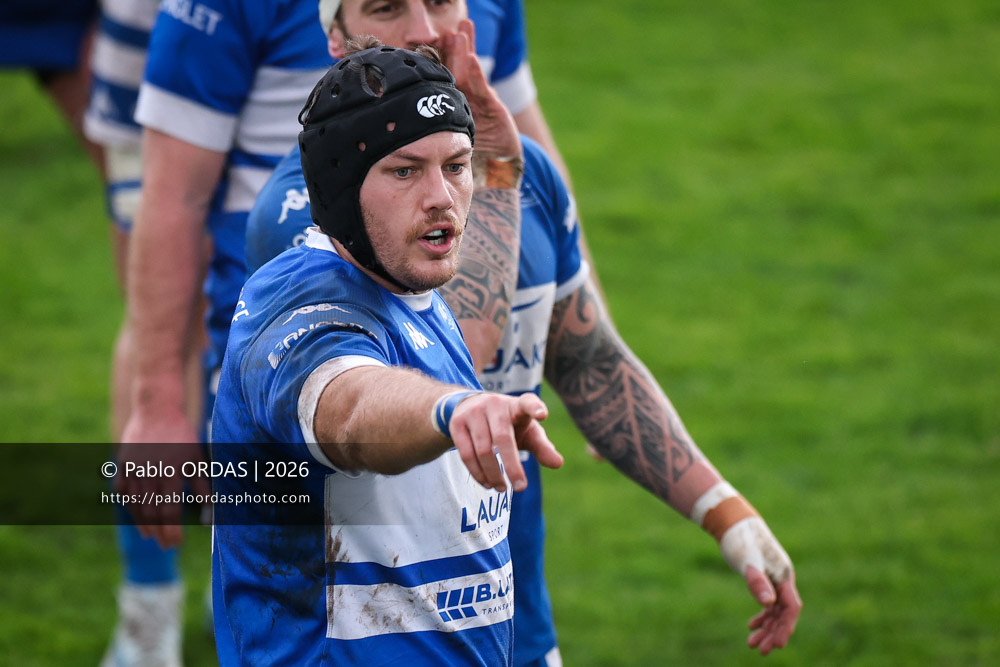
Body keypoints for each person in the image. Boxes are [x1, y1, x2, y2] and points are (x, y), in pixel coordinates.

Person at [247, 2, 803, 662]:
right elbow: (439, 377)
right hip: (355, 643)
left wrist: (725, 511)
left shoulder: (528, 173)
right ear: (335, 37)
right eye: (388, 6)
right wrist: (498, 179)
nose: (425, 30)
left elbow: (589, 362)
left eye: (442, 1)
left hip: (508, 630)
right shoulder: (312, 212)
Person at [211, 42, 565, 665]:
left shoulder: (413, 295)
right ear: (344, 189)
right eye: (405, 171)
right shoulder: (298, 300)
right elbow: (349, 409)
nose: (442, 197)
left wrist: (503, 172)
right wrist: (449, 412)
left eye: (456, 166)